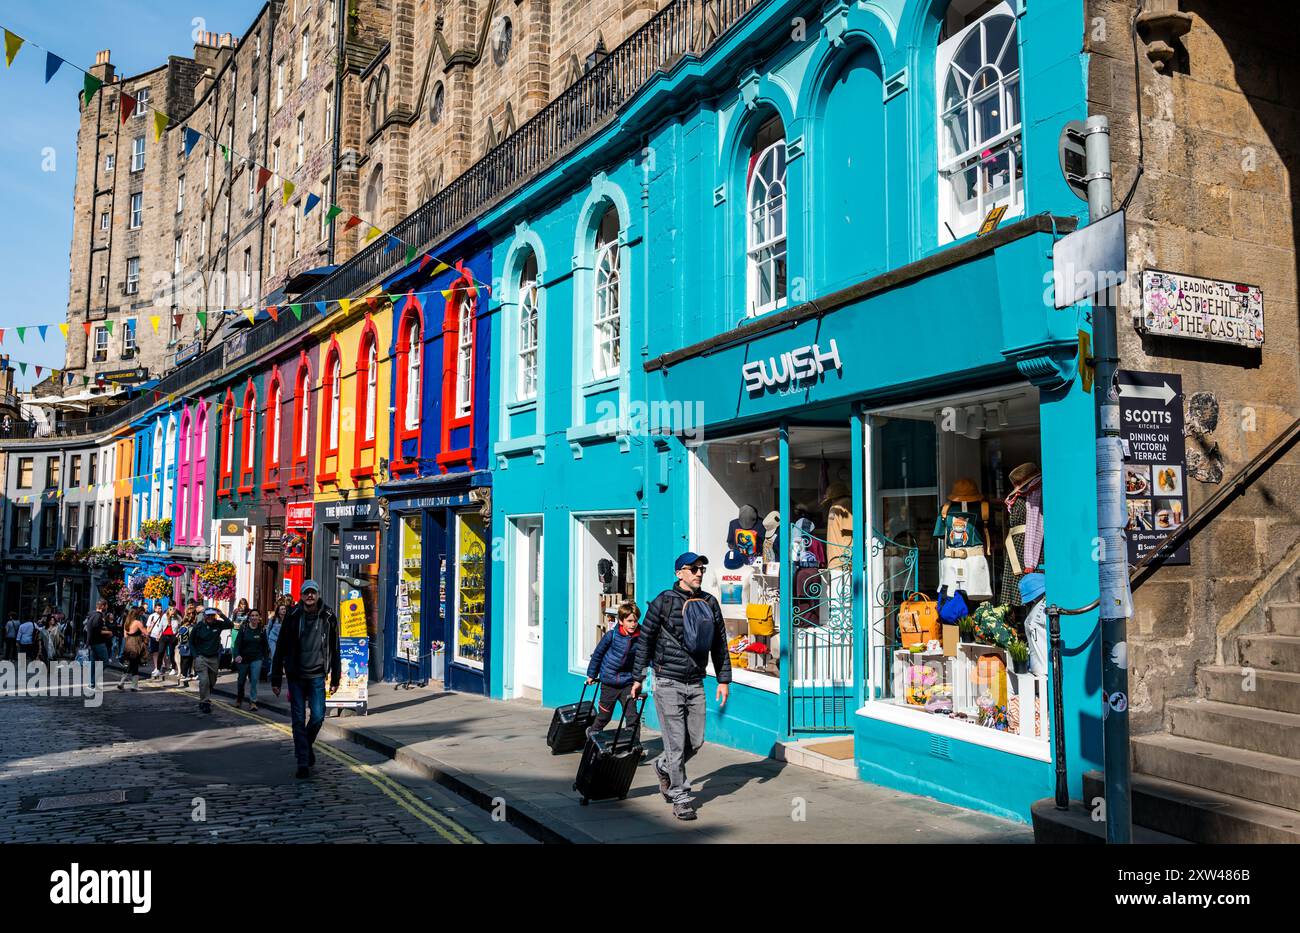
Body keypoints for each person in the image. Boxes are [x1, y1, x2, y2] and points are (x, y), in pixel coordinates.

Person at [630, 552, 731, 822]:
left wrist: (723, 679)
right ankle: (681, 796)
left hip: (696, 681)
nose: (699, 573)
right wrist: (639, 678)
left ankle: (663, 767)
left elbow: (720, 643)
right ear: (679, 573)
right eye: (693, 568)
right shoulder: (663, 601)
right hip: (667, 681)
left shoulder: (709, 602)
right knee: (675, 743)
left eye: (701, 568)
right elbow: (645, 641)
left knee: (695, 741)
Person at [272, 580, 341, 779]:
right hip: (296, 676)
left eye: (313, 593)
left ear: (318, 594)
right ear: (301, 595)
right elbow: (281, 648)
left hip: (318, 674)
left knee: (319, 716)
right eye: (306, 593)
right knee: (298, 720)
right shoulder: (293, 616)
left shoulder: (329, 617)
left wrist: (335, 676)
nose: (309, 596)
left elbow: (334, 648)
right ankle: (303, 762)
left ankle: (305, 745)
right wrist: (276, 678)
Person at [585, 601, 642, 738]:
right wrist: (591, 675)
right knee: (605, 716)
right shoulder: (612, 635)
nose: (633, 624)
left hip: (627, 683)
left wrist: (640, 680)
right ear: (621, 621)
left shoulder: (641, 638)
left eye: (635, 621)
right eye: (629, 621)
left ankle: (633, 746)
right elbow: (598, 655)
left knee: (632, 717)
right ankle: (592, 734)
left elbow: (645, 660)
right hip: (609, 682)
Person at [189, 607, 233, 713]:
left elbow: (230, 625)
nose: (210, 617)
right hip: (201, 658)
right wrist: (196, 656)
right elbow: (191, 642)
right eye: (208, 615)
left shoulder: (218, 624)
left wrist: (221, 614)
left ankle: (204, 698)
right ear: (204, 616)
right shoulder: (198, 627)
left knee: (212, 682)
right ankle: (205, 702)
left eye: (212, 615)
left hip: (213, 658)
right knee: (204, 681)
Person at [233, 607, 269, 711]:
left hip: (256, 659)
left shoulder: (262, 630)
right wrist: (236, 655)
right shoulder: (243, 628)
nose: (254, 617)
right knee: (241, 681)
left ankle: (253, 702)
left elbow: (265, 647)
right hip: (243, 659)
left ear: (259, 618)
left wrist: (265, 660)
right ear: (249, 618)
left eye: (256, 615)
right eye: (252, 616)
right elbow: (237, 644)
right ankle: (239, 699)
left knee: (254, 680)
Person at [116, 609, 149, 691]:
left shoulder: (126, 623)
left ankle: (123, 683)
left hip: (128, 644)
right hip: (136, 644)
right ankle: (133, 686)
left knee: (132, 663)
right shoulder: (137, 623)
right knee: (134, 664)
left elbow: (125, 635)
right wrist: (150, 626)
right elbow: (146, 633)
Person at [85, 600, 112, 688]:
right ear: (103, 606)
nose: (107, 607)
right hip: (98, 643)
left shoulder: (92, 615)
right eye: (106, 605)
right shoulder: (98, 616)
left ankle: (91, 683)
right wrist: (108, 632)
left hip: (92, 642)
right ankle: (93, 681)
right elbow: (96, 630)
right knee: (105, 661)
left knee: (93, 663)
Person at [177, 606, 197, 686]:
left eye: (193, 613)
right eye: (190, 613)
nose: (192, 615)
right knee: (186, 661)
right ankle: (184, 675)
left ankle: (186, 675)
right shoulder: (187, 624)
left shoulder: (188, 624)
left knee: (188, 660)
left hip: (186, 645)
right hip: (187, 645)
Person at [147, 605, 166, 679]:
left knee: (162, 652)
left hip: (161, 636)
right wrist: (151, 625)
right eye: (158, 608)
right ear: (155, 609)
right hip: (153, 636)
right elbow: (148, 627)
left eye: (161, 608)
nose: (160, 609)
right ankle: (156, 668)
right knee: (155, 652)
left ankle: (163, 665)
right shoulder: (151, 616)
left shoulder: (164, 616)